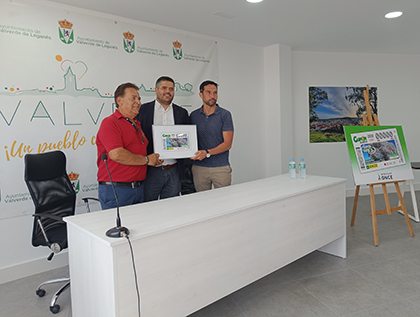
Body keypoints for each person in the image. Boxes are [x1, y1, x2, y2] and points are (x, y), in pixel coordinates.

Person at [96, 82, 163, 209]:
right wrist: (147, 160)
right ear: (119, 101)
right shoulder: (110, 123)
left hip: (138, 188)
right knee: (118, 228)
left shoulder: (137, 124)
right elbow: (117, 154)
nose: (138, 102)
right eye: (133, 98)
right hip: (117, 190)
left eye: (139, 98)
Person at [136, 76, 190, 201]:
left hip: (174, 170)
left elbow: (187, 139)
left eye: (171, 89)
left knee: (171, 209)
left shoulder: (181, 112)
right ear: (156, 90)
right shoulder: (142, 110)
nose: (168, 91)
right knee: (148, 207)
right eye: (164, 88)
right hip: (150, 171)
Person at [190, 80, 234, 192]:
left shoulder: (225, 115)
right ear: (201, 94)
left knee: (224, 202)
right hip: (199, 168)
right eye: (208, 92)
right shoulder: (194, 115)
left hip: (221, 168)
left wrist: (207, 152)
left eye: (215, 93)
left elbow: (227, 144)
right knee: (203, 203)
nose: (212, 96)